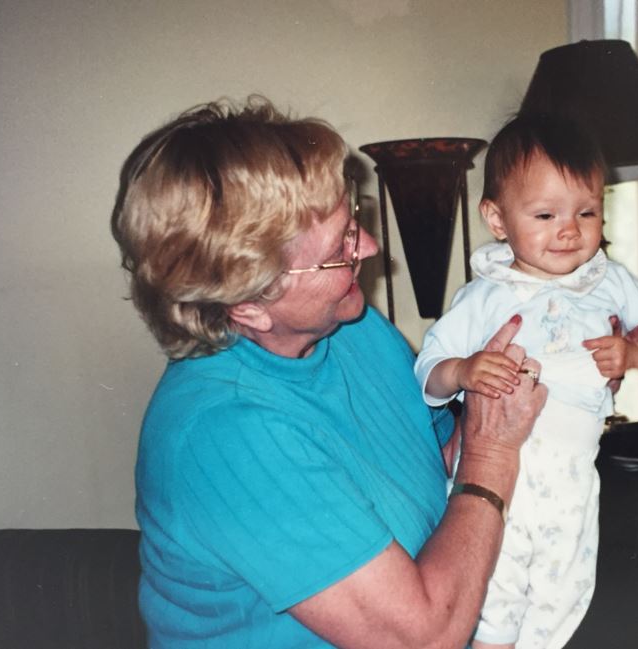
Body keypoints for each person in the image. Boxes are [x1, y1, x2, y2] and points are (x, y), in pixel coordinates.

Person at [110, 96, 549, 649]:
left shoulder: (354, 330)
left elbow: (432, 468)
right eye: (338, 250)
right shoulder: (225, 433)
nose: (367, 248)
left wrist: (527, 384)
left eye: (354, 222)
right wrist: (493, 453)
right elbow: (423, 638)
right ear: (248, 303)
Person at [414, 115, 638, 649]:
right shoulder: (485, 295)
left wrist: (635, 353)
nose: (569, 229)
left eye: (587, 212)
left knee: (559, 601)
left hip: (573, 479)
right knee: (495, 600)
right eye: (545, 214)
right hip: (501, 481)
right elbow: (430, 368)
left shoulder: (610, 281)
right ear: (496, 219)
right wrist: (466, 370)